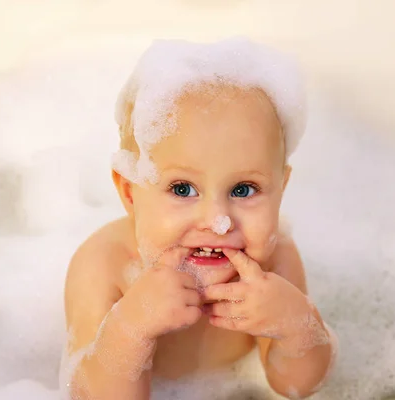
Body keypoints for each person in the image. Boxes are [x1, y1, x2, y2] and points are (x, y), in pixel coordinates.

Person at [61, 37, 336, 400]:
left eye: (243, 190)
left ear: (281, 188)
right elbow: (87, 392)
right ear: (129, 192)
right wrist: (129, 330)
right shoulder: (105, 264)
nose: (218, 221)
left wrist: (298, 327)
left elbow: (296, 386)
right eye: (182, 189)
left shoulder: (275, 262)